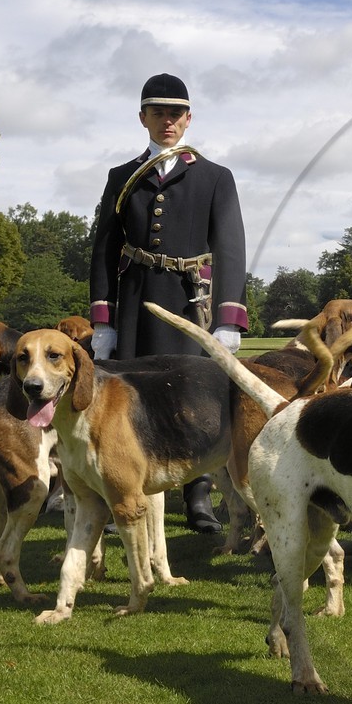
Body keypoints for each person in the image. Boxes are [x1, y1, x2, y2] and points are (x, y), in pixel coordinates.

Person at [88, 73, 248, 533]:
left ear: (189, 118)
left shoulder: (215, 177)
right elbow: (103, 249)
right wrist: (105, 319)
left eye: (176, 113)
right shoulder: (123, 178)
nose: (168, 122)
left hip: (188, 302)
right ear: (143, 118)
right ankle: (128, 492)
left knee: (194, 399)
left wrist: (228, 320)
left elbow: (230, 248)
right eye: (158, 113)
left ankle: (197, 498)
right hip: (137, 300)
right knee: (134, 398)